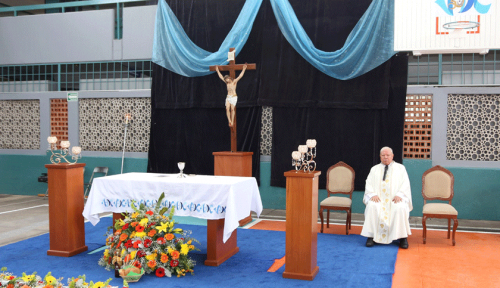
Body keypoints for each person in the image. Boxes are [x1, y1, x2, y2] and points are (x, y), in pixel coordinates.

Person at [361, 146, 412, 249]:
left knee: (400, 207)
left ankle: (402, 237)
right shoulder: (374, 169)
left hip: (395, 199)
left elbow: (405, 184)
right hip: (378, 199)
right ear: (380, 156)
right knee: (372, 206)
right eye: (383, 155)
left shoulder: (400, 168)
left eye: (388, 155)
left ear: (392, 156)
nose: (385, 157)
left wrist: (400, 195)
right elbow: (369, 183)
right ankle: (371, 236)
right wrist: (372, 194)